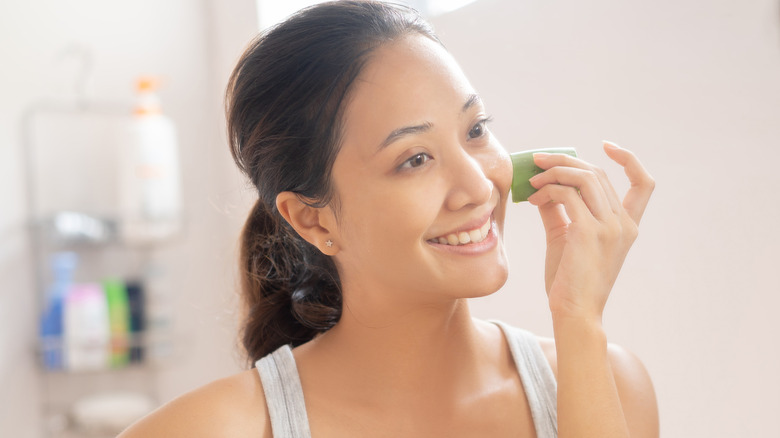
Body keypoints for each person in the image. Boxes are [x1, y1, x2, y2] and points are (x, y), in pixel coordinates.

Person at [119, 1, 658, 437]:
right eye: (414, 159)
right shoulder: (211, 430)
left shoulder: (605, 380)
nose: (478, 185)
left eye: (475, 130)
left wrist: (578, 321)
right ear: (312, 220)